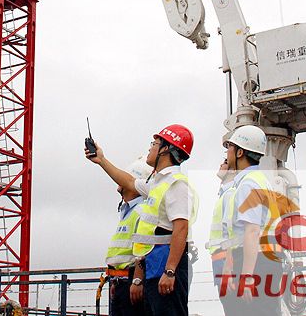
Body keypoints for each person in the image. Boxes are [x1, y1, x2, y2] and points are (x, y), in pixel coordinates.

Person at [85, 124, 197, 316]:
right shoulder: (157, 183)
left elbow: (181, 228)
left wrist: (170, 271)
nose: (150, 147)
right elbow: (128, 181)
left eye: (155, 143)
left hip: (167, 269)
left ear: (166, 149)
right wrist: (101, 160)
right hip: (154, 267)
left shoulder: (176, 184)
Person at [221, 125, 282, 316]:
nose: (227, 151)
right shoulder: (259, 180)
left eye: (230, 147)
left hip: (256, 261)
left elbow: (252, 231)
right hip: (261, 258)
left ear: (240, 152)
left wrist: (247, 276)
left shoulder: (248, 184)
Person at [105, 158, 153, 316]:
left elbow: (143, 250)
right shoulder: (127, 210)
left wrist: (136, 280)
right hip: (120, 282)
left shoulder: (141, 211)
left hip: (131, 283)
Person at [205, 158, 235, 314]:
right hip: (221, 262)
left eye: (225, 161)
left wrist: (229, 267)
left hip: (227, 263)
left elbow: (234, 233)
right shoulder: (225, 194)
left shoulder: (230, 194)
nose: (220, 164)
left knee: (233, 308)